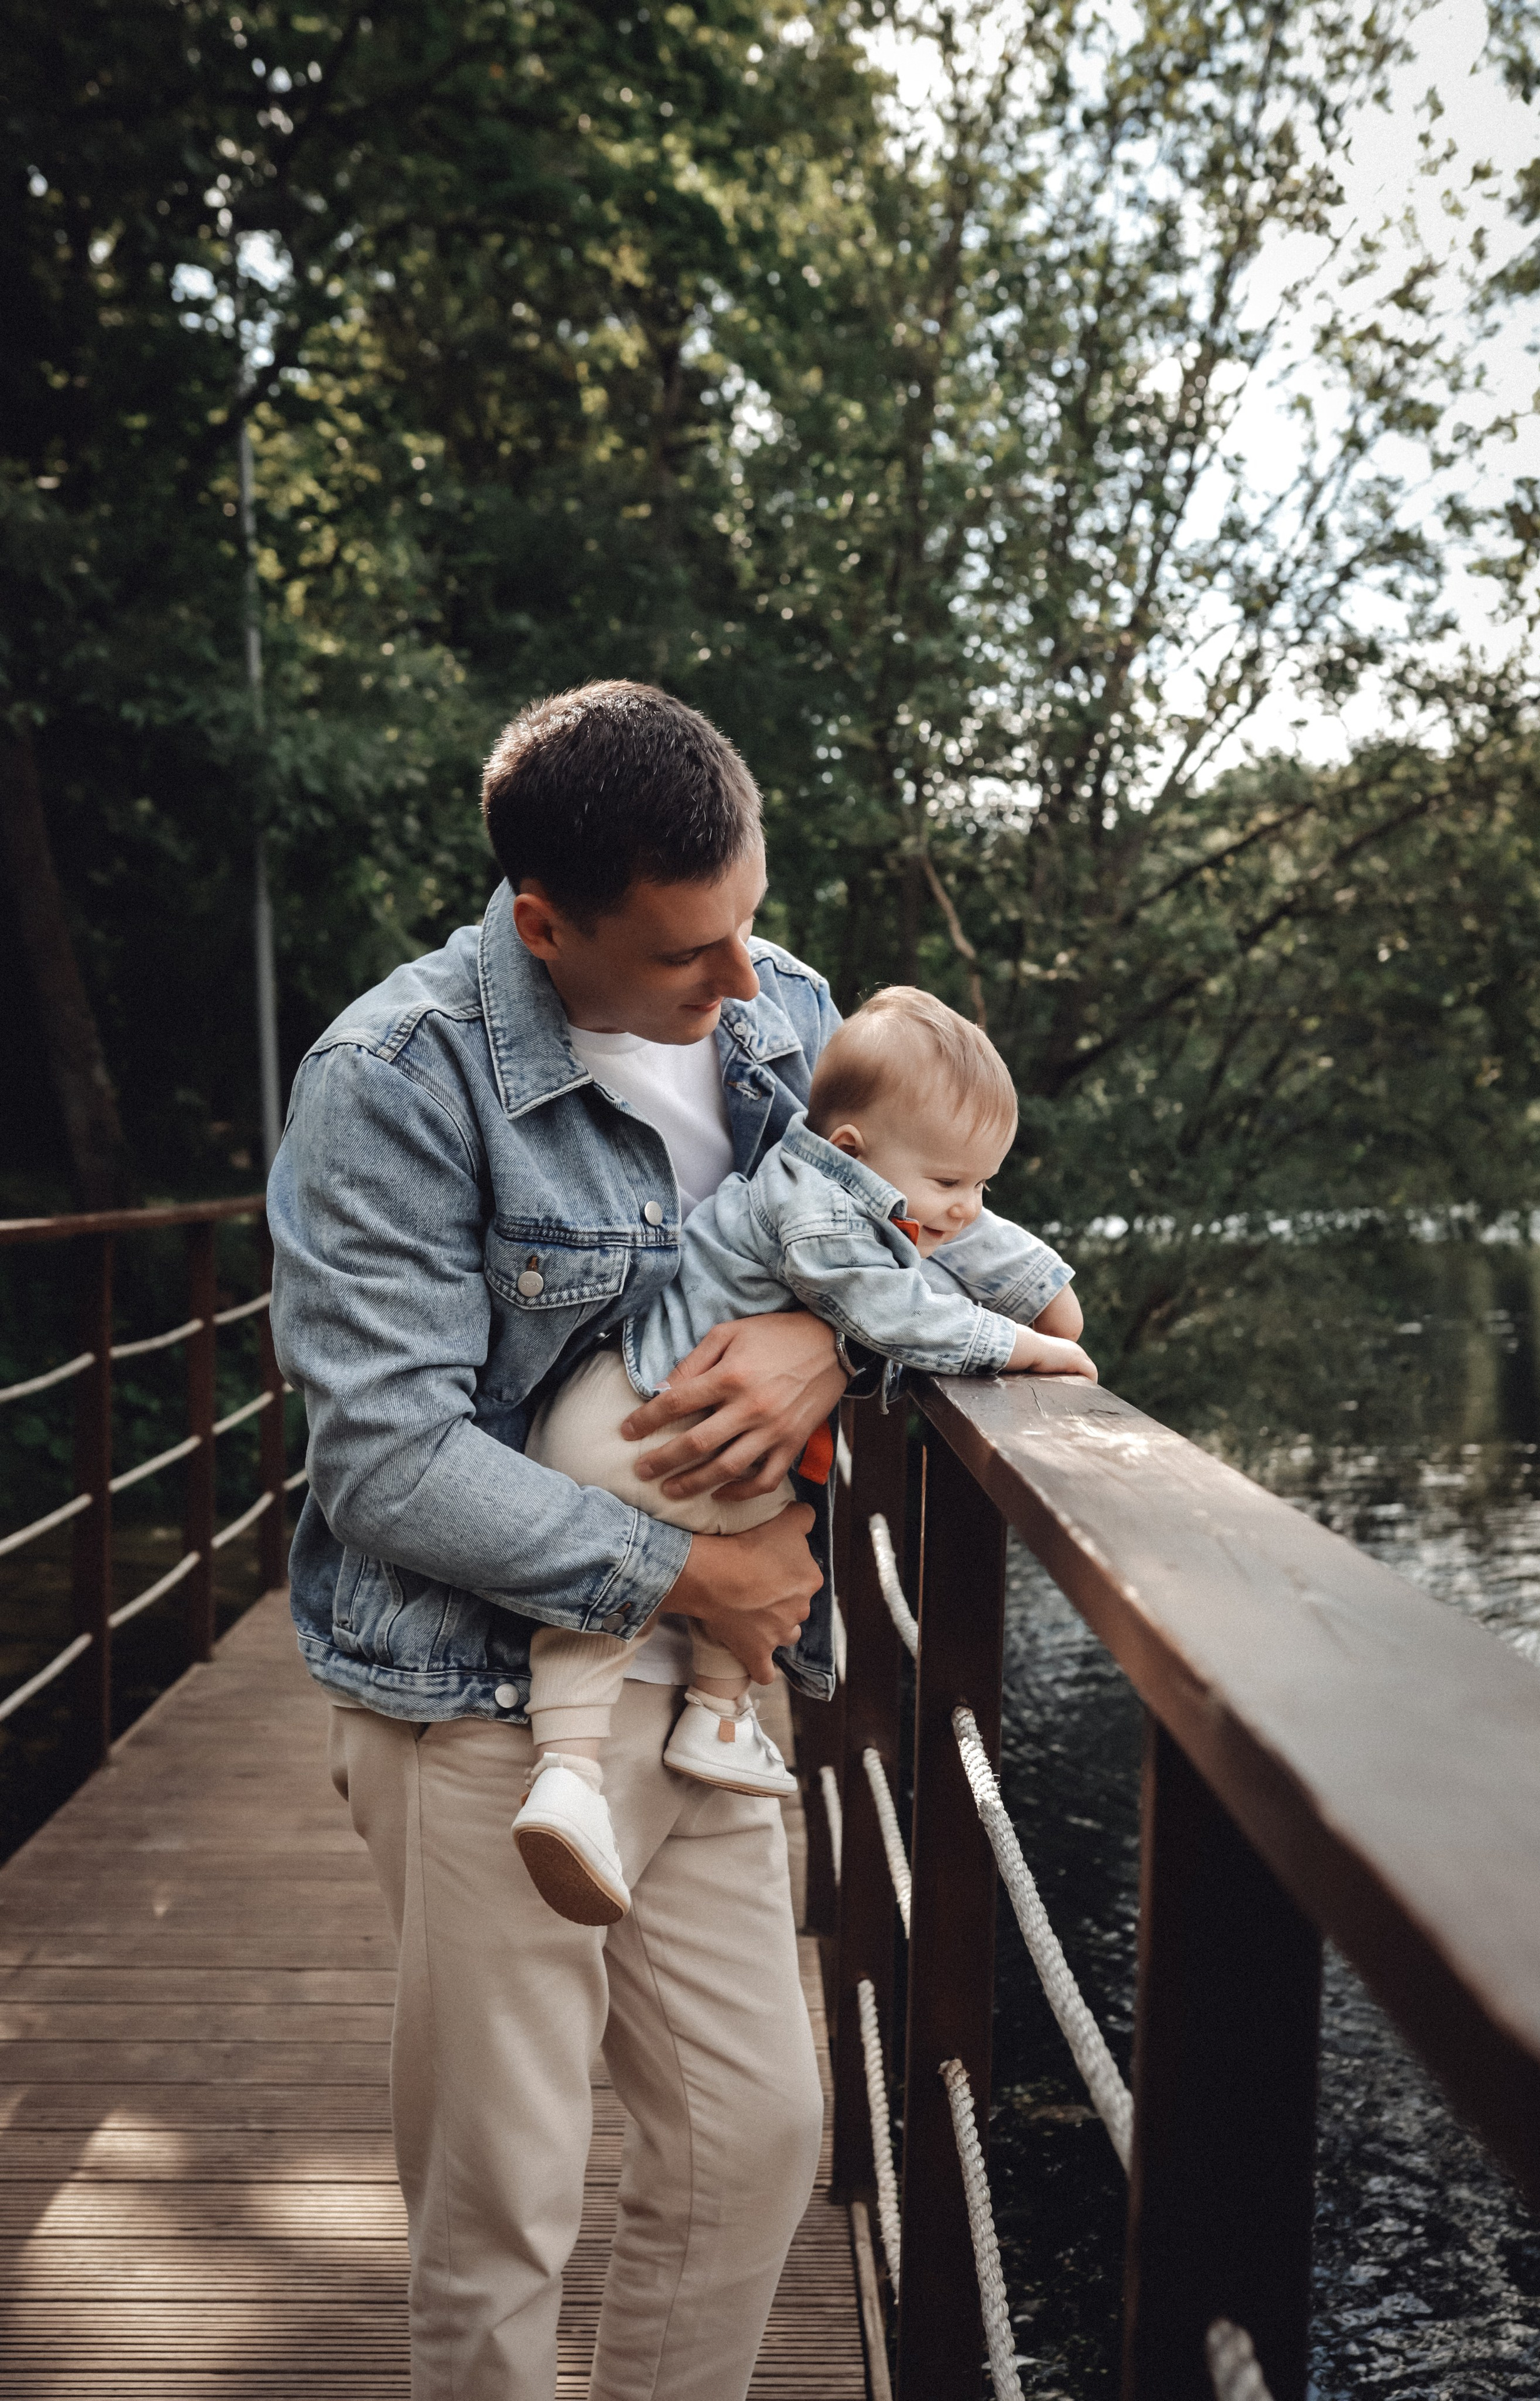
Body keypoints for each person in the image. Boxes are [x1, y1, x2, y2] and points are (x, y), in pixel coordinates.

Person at [270, 681, 851, 2401]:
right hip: (471, 1699)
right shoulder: (392, 1077)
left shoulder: (789, 1009)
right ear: (544, 923)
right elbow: (384, 1457)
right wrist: (685, 1572)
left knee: (757, 2136)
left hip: (713, 1695)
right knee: (503, 2206)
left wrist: (834, 1339)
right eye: (689, 954)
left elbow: (902, 1234)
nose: (745, 983)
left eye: (750, 918)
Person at [513, 983, 1093, 1925]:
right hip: (656, 1430)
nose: (965, 1210)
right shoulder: (819, 1208)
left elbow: (964, 1239)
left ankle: (575, 1775)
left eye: (983, 1185)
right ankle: (715, 1709)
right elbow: (896, 1310)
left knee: (597, 1615)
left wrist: (1027, 1274)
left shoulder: (854, 1178)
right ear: (858, 1151)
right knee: (780, 1527)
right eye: (952, 1185)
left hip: (614, 1422)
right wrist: (1031, 1350)